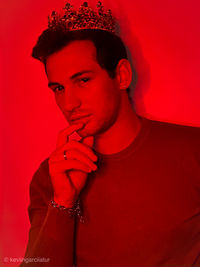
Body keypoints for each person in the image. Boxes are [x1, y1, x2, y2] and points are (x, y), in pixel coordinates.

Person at [20, 2, 200, 267]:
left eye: (83, 80)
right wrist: (64, 202)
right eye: (58, 88)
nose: (69, 103)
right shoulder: (50, 178)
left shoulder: (192, 150)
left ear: (122, 75)